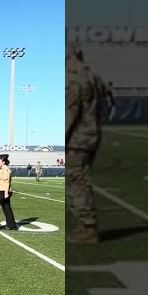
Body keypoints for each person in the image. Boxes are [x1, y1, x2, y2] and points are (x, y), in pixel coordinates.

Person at [67, 47, 104, 245]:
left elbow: (70, 113)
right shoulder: (94, 77)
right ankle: (85, 225)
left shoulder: (75, 79)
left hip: (76, 139)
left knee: (77, 181)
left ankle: (88, 227)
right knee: (81, 179)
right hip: (91, 135)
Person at [0, 153, 18, 230]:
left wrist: (5, 193)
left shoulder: (5, 170)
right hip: (2, 191)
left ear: (3, 162)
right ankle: (11, 225)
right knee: (6, 207)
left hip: (4, 191)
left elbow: (6, 182)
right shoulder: (2, 169)